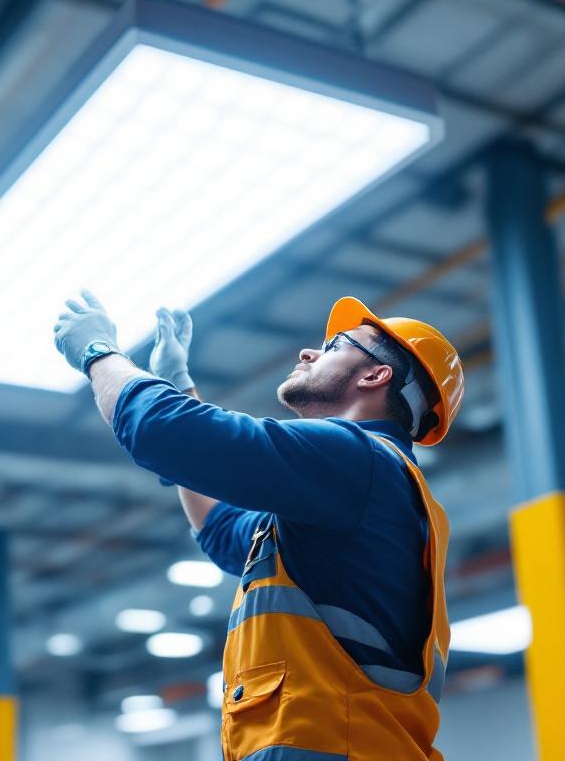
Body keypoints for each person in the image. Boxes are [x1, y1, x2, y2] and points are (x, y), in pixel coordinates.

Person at [54, 290, 465, 760]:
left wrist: (98, 353)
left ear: (376, 374)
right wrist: (178, 386)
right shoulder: (362, 487)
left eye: (335, 346)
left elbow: (166, 432)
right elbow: (223, 530)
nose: (308, 352)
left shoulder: (360, 460)